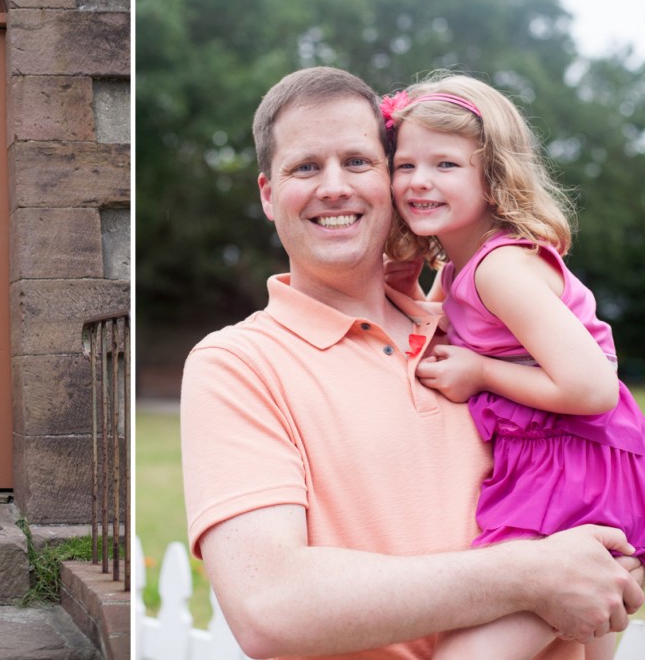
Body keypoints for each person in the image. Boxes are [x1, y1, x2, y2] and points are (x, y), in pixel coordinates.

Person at [179, 66, 643, 660]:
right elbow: (272, 609)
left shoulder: (474, 329)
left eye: (358, 161)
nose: (334, 187)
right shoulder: (238, 364)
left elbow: (604, 556)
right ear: (268, 194)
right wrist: (530, 574)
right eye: (305, 167)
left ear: (387, 183)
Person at [383, 72, 645, 659]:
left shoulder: (501, 268)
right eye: (405, 165)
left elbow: (595, 387)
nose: (420, 181)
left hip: (577, 474)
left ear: (493, 177)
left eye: (446, 165)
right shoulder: (459, 269)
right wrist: (400, 278)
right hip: (564, 465)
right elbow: (429, 326)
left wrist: (481, 372)